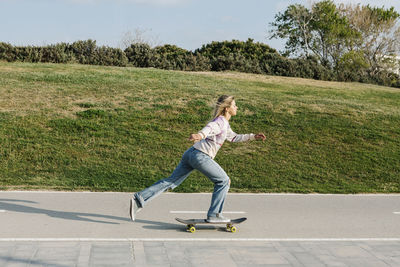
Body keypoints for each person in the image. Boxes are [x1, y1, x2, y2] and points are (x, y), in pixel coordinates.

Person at [130, 95, 266, 222]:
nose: (237, 108)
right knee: (224, 181)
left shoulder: (224, 124)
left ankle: (140, 198)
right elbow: (209, 129)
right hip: (201, 156)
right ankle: (214, 215)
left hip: (191, 153)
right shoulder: (220, 122)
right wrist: (200, 135)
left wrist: (253, 136)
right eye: (235, 105)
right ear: (227, 108)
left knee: (171, 182)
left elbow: (234, 137)